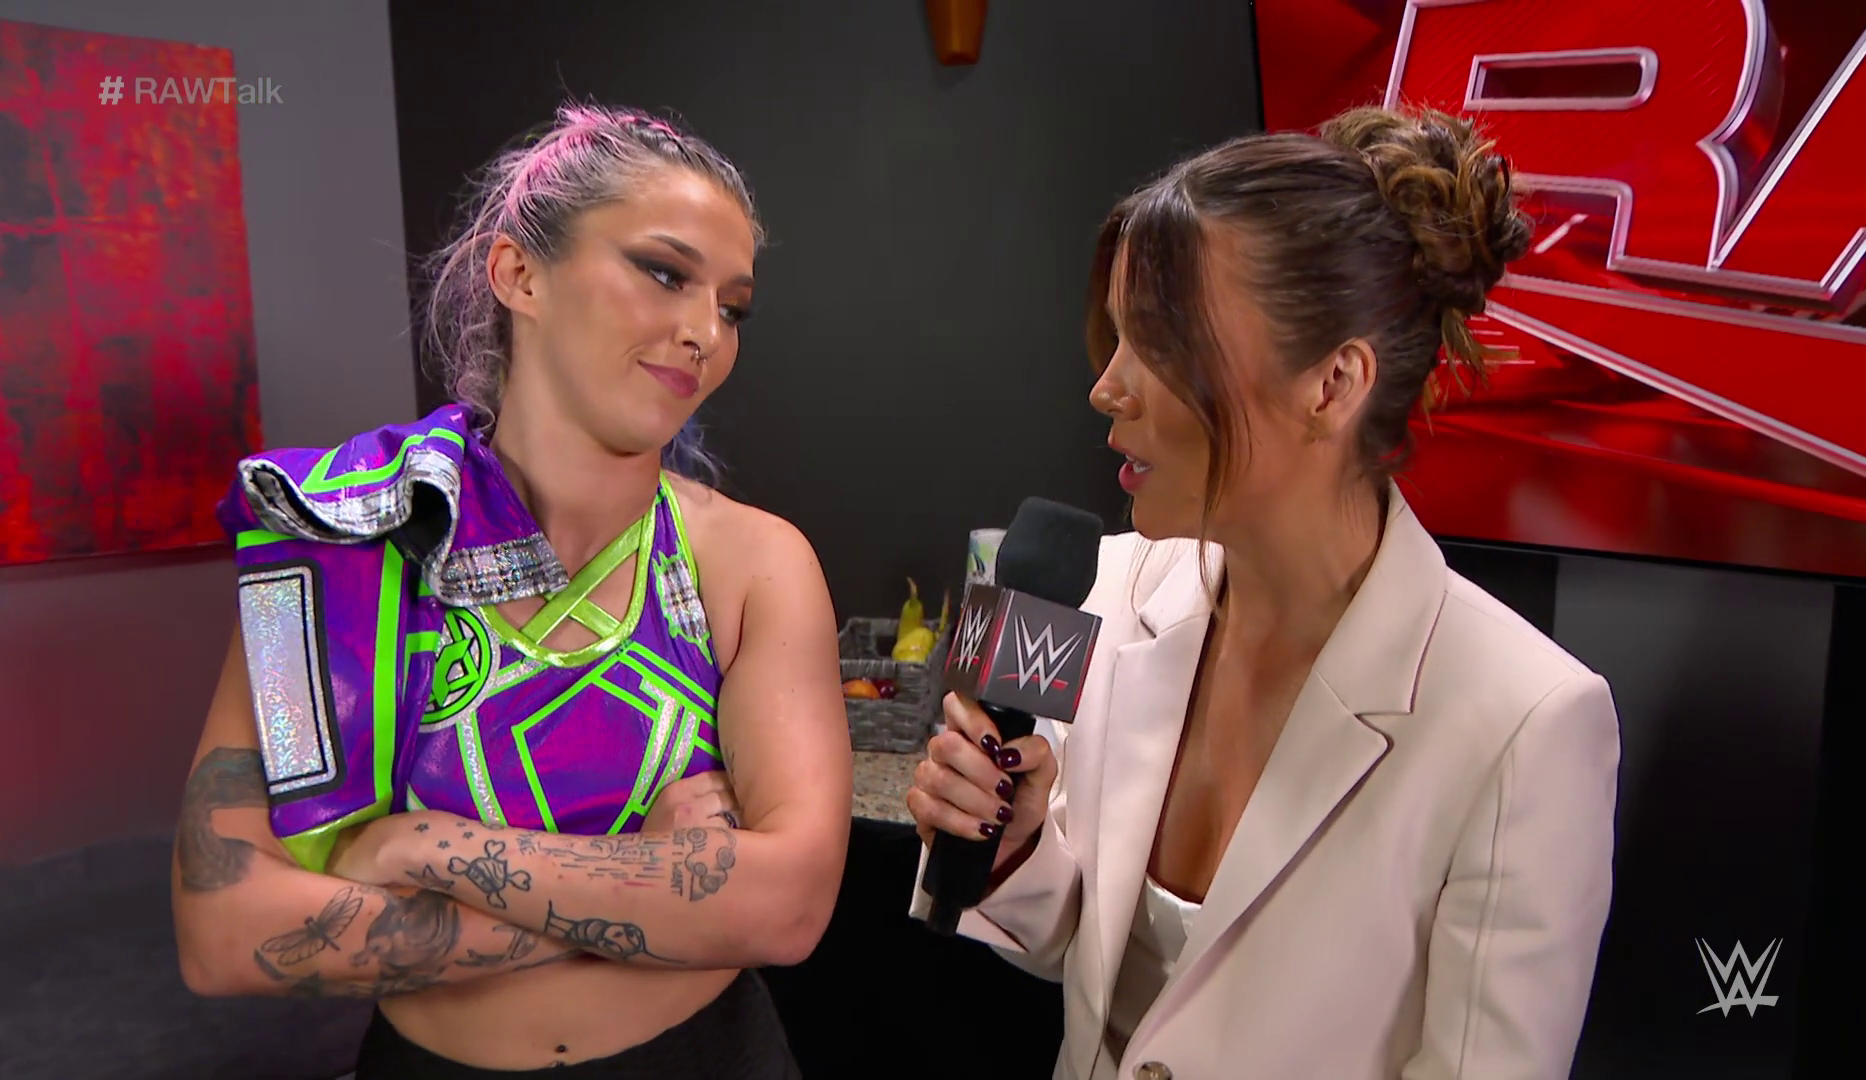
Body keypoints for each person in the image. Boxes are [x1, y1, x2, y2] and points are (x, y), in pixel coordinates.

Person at [906, 105, 1621, 1080]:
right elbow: (1100, 960)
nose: (1107, 387)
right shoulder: (1111, 587)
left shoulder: (1527, 725)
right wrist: (1018, 852)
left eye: (1160, 342)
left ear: (1333, 385)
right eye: (1116, 336)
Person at [170, 102, 851, 1079]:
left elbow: (786, 908)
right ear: (519, 274)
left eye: (733, 307)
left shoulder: (755, 565)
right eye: (664, 273)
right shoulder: (329, 542)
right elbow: (223, 930)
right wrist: (655, 889)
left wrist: (425, 847)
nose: (706, 331)